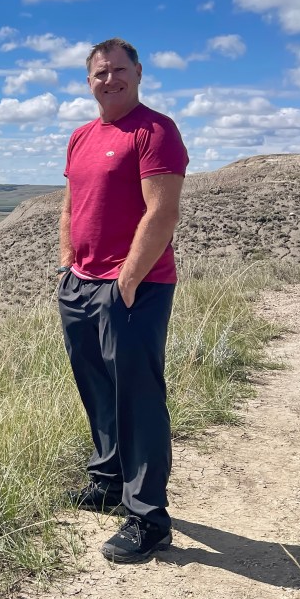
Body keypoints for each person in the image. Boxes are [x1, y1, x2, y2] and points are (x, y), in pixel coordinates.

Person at [57, 37, 188, 564]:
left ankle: (149, 518)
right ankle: (109, 482)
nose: (108, 79)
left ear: (138, 72)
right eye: (98, 73)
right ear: (88, 81)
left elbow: (162, 213)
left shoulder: (155, 131)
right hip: (81, 283)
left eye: (117, 70)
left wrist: (126, 281)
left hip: (134, 286)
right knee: (98, 389)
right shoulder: (81, 136)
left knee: (137, 399)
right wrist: (68, 263)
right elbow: (69, 204)